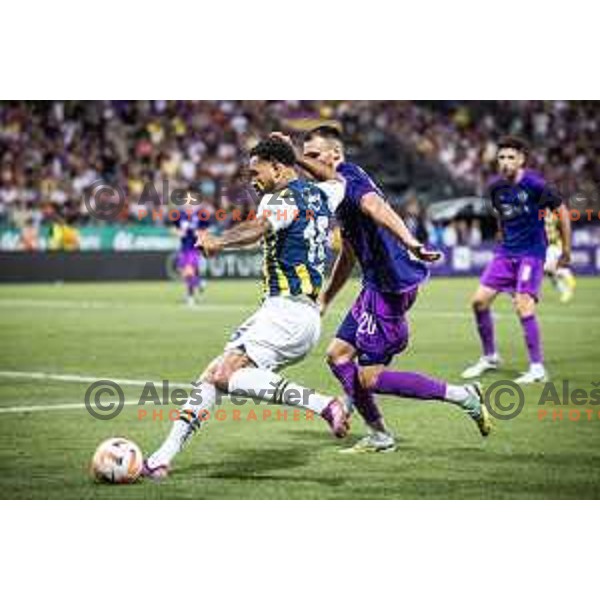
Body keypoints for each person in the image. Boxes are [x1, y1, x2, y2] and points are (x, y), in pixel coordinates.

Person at [274, 127, 490, 453]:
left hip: (389, 286)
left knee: (369, 378)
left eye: (315, 156)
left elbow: (378, 208)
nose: (308, 163)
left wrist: (412, 242)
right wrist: (325, 301)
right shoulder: (335, 194)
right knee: (338, 356)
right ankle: (377, 432)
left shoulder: (349, 177)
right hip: (376, 284)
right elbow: (348, 254)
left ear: (336, 155)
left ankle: (463, 396)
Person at [143, 138, 348, 479]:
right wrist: (296, 153)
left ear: (278, 168)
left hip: (285, 312)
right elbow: (337, 180)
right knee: (214, 375)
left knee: (224, 376)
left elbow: (258, 229)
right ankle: (161, 458)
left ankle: (324, 404)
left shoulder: (281, 200)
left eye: (257, 170)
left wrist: (218, 241)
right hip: (303, 315)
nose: (251, 178)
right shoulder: (325, 193)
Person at [461, 136, 569, 383]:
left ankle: (537, 368)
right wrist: (501, 233)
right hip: (505, 252)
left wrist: (566, 251)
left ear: (521, 160)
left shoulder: (536, 185)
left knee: (523, 306)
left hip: (531, 253)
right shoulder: (495, 187)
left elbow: (562, 212)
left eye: (511, 157)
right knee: (478, 302)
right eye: (501, 157)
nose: (506, 162)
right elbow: (500, 213)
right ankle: (490, 357)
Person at [173, 192, 211, 306]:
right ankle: (199, 283)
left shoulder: (200, 216)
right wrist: (179, 233)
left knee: (189, 272)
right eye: (186, 203)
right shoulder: (180, 215)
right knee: (183, 272)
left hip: (194, 248)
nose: (189, 206)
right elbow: (174, 228)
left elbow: (206, 230)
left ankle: (190, 297)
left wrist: (198, 233)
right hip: (184, 248)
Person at [544, 208, 576, 303]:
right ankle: (565, 291)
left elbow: (562, 229)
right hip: (548, 246)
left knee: (549, 269)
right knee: (550, 273)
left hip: (554, 245)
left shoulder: (554, 217)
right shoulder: (542, 217)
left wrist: (563, 244)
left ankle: (569, 281)